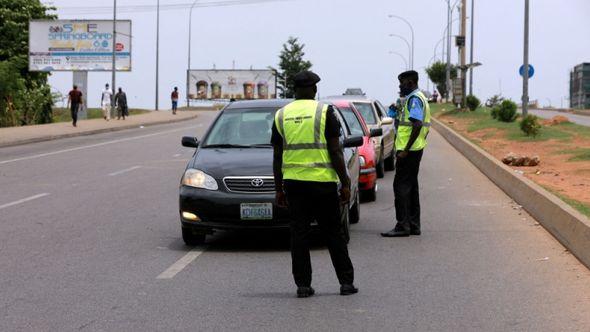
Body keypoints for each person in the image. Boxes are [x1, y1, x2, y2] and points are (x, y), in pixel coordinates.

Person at [271, 70, 358, 298]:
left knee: (299, 235)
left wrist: (278, 188)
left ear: (295, 90)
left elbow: (277, 156)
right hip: (322, 184)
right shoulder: (324, 111)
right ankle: (346, 283)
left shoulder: (281, 115)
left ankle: (303, 286)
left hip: (294, 185)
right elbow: (336, 151)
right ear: (313, 89)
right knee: (333, 233)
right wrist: (345, 182)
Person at [382, 70, 431, 237]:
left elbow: (417, 125)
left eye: (402, 83)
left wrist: (406, 150)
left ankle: (403, 226)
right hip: (414, 149)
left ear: (410, 83)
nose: (399, 86)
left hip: (408, 151)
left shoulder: (415, 99)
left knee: (401, 187)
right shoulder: (415, 98)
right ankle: (413, 225)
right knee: (411, 187)